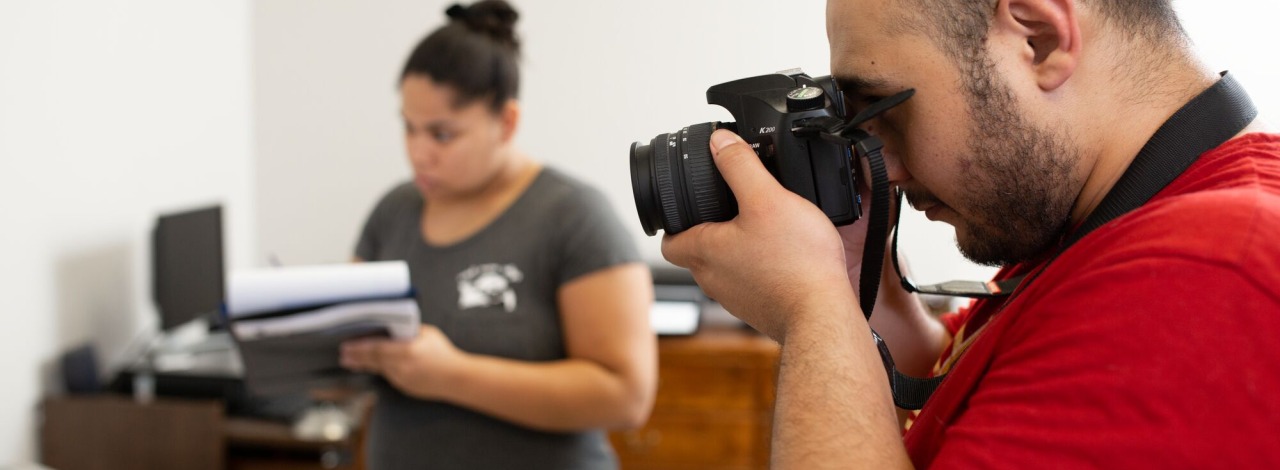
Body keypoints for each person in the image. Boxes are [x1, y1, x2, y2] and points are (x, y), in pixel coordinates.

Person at [662, 0, 1280, 467]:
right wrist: (853, 279)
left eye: (884, 109)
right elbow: (950, 381)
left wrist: (811, 311)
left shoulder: (1206, 272)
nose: (889, 167)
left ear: (1037, 40)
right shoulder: (1100, 225)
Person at [339, 2, 656, 468]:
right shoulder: (395, 210)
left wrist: (449, 375)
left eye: (442, 134)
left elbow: (626, 397)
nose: (418, 153)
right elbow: (351, 336)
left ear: (506, 123)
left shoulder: (575, 216)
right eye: (408, 127)